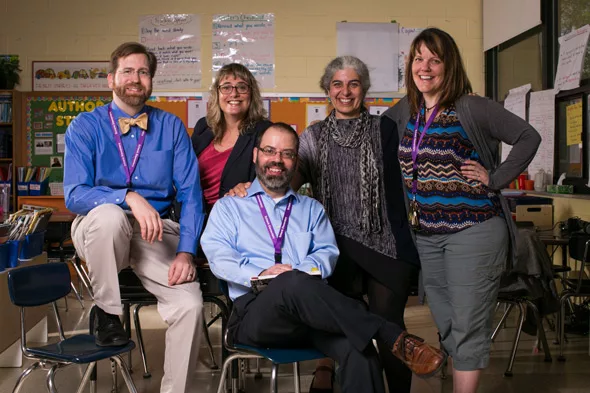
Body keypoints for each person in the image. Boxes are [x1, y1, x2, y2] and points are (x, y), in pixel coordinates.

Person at [201, 123, 446, 393]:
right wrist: (264, 275)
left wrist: (292, 274)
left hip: (309, 314)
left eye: (287, 154)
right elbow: (219, 256)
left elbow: (326, 256)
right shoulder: (229, 206)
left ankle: (380, 337)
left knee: (360, 352)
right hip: (254, 315)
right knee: (291, 282)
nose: (277, 160)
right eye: (270, 151)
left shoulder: (311, 210)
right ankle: (389, 335)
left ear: (296, 161)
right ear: (256, 155)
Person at [229, 56, 420, 393]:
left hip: (384, 244)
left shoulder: (383, 129)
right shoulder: (313, 136)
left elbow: (396, 193)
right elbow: (285, 179)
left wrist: (405, 249)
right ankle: (329, 374)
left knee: (389, 321)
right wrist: (251, 187)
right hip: (333, 245)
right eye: (337, 84)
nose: (345, 91)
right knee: (341, 324)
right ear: (326, 91)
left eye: (353, 83)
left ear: (364, 89)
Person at [383, 28, 541, 393]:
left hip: (474, 230)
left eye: (434, 59)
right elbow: (372, 135)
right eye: (418, 58)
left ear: (448, 65)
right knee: (446, 319)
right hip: (426, 236)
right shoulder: (406, 111)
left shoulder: (471, 106)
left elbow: (528, 136)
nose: (425, 67)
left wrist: (496, 178)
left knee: (468, 322)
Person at [64, 42, 205, 393]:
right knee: (111, 216)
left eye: (143, 72)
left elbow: (190, 194)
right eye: (128, 70)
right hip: (99, 227)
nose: (136, 79)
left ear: (151, 81)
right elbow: (75, 195)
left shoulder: (171, 127)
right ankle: (107, 312)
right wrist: (127, 196)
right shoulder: (84, 126)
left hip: (153, 234)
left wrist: (186, 251)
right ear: (111, 78)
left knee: (190, 304)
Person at [192, 63, 272, 211]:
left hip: (234, 219)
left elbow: (272, 180)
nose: (234, 94)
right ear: (217, 93)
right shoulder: (203, 126)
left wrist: (250, 187)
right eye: (226, 87)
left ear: (251, 94)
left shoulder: (264, 131)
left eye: (242, 87)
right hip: (194, 215)